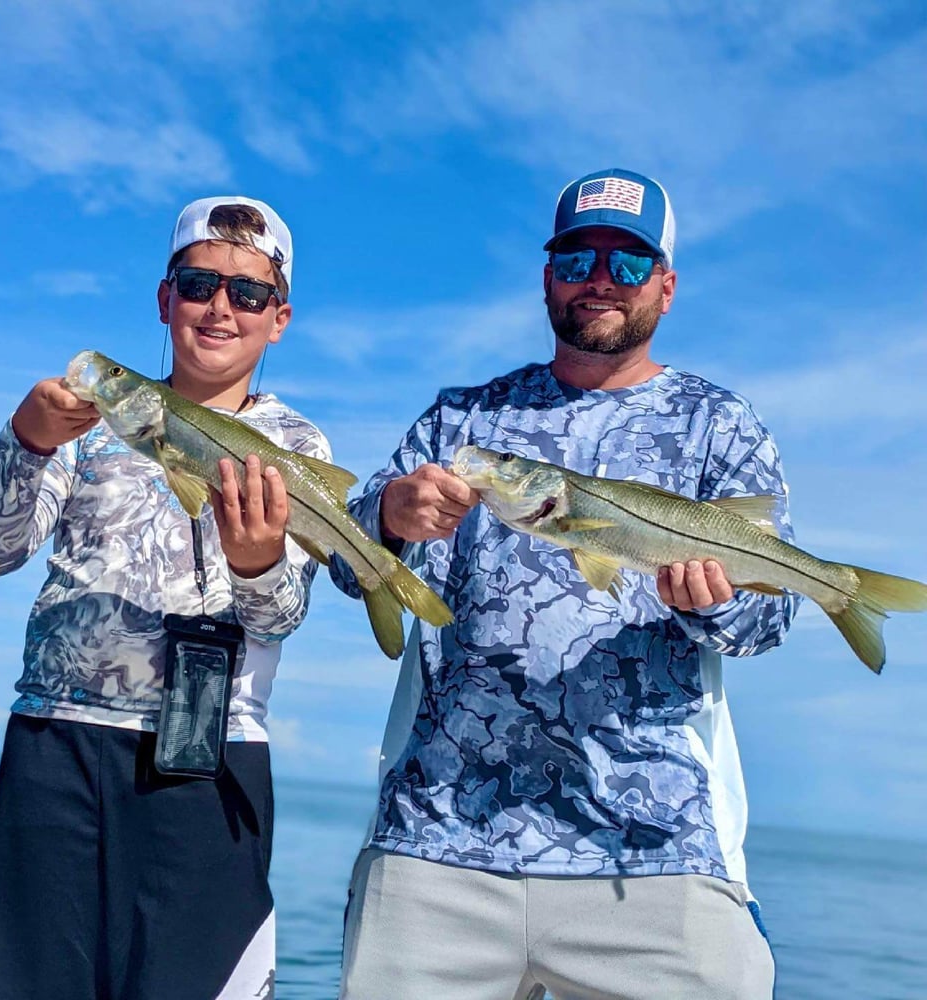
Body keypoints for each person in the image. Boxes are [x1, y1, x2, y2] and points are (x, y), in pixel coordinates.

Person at [330, 168, 797, 1000]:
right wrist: (392, 516)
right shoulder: (462, 419)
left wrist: (717, 601)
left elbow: (771, 619)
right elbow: (345, 556)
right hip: (438, 845)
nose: (599, 281)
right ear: (549, 274)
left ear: (666, 285)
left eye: (627, 263)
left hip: (655, 855)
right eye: (579, 257)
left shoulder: (720, 424)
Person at [0, 196, 327, 1000]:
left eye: (249, 293)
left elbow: (281, 615)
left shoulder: (296, 449)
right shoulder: (82, 422)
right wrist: (24, 441)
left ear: (279, 317)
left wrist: (258, 562)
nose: (220, 306)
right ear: (165, 300)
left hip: (210, 762)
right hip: (54, 748)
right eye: (199, 284)